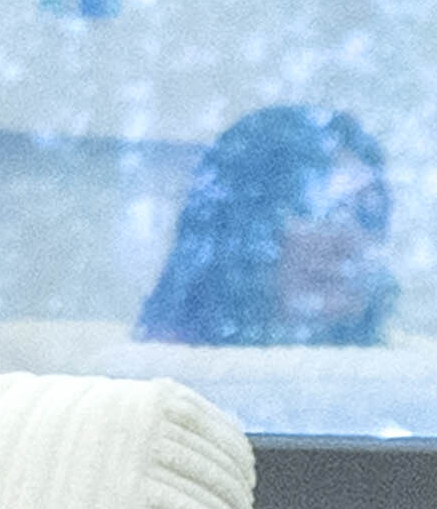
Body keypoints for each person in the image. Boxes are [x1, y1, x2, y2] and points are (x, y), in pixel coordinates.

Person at [139, 104, 396, 347]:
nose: (349, 241)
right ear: (241, 225)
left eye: (369, 214)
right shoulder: (159, 377)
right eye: (314, 210)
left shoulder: (407, 371)